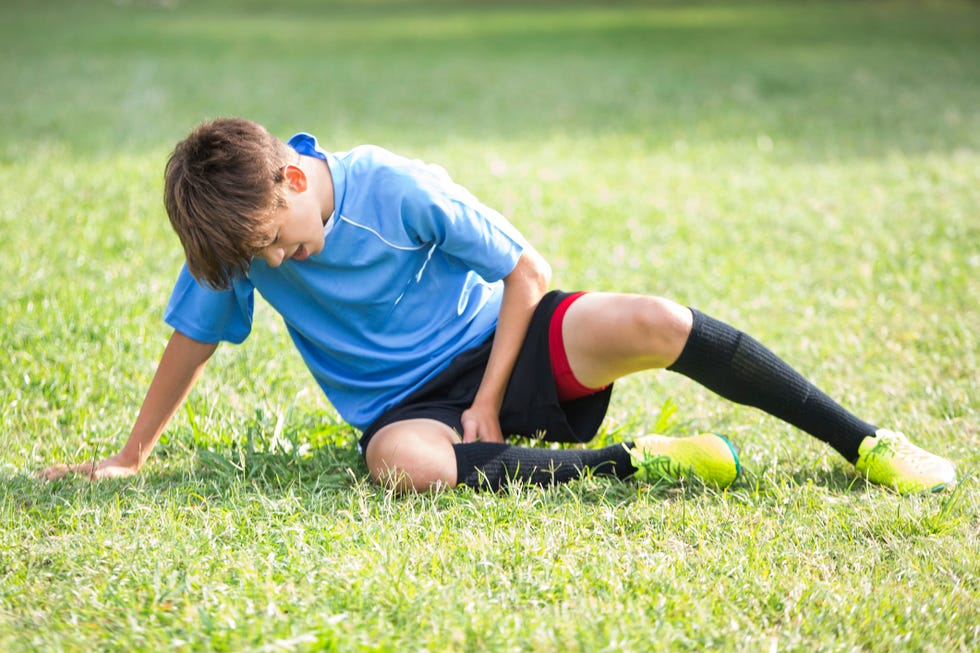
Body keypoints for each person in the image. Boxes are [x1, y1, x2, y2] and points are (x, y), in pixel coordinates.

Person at [40, 117, 956, 494]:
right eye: (260, 257)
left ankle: (865, 441)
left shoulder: (393, 186)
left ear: (291, 174)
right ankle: (640, 462)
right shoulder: (235, 235)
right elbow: (192, 335)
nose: (276, 261)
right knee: (404, 467)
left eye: (276, 239)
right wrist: (131, 455)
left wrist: (488, 396)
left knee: (657, 320)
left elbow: (526, 265)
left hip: (507, 344)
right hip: (409, 412)